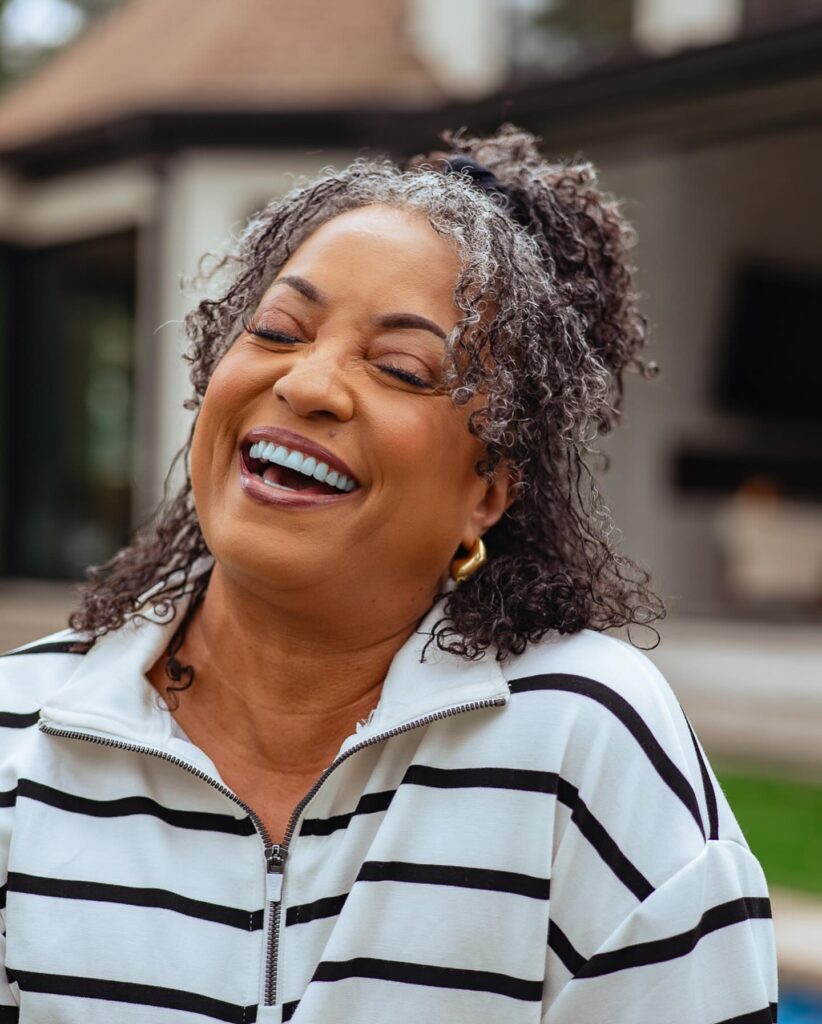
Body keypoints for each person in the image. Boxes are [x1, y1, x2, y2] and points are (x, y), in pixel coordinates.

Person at [0, 127, 776, 1023]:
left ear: (489, 488)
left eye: (401, 368)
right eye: (278, 330)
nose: (310, 384)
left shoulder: (581, 740)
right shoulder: (22, 737)